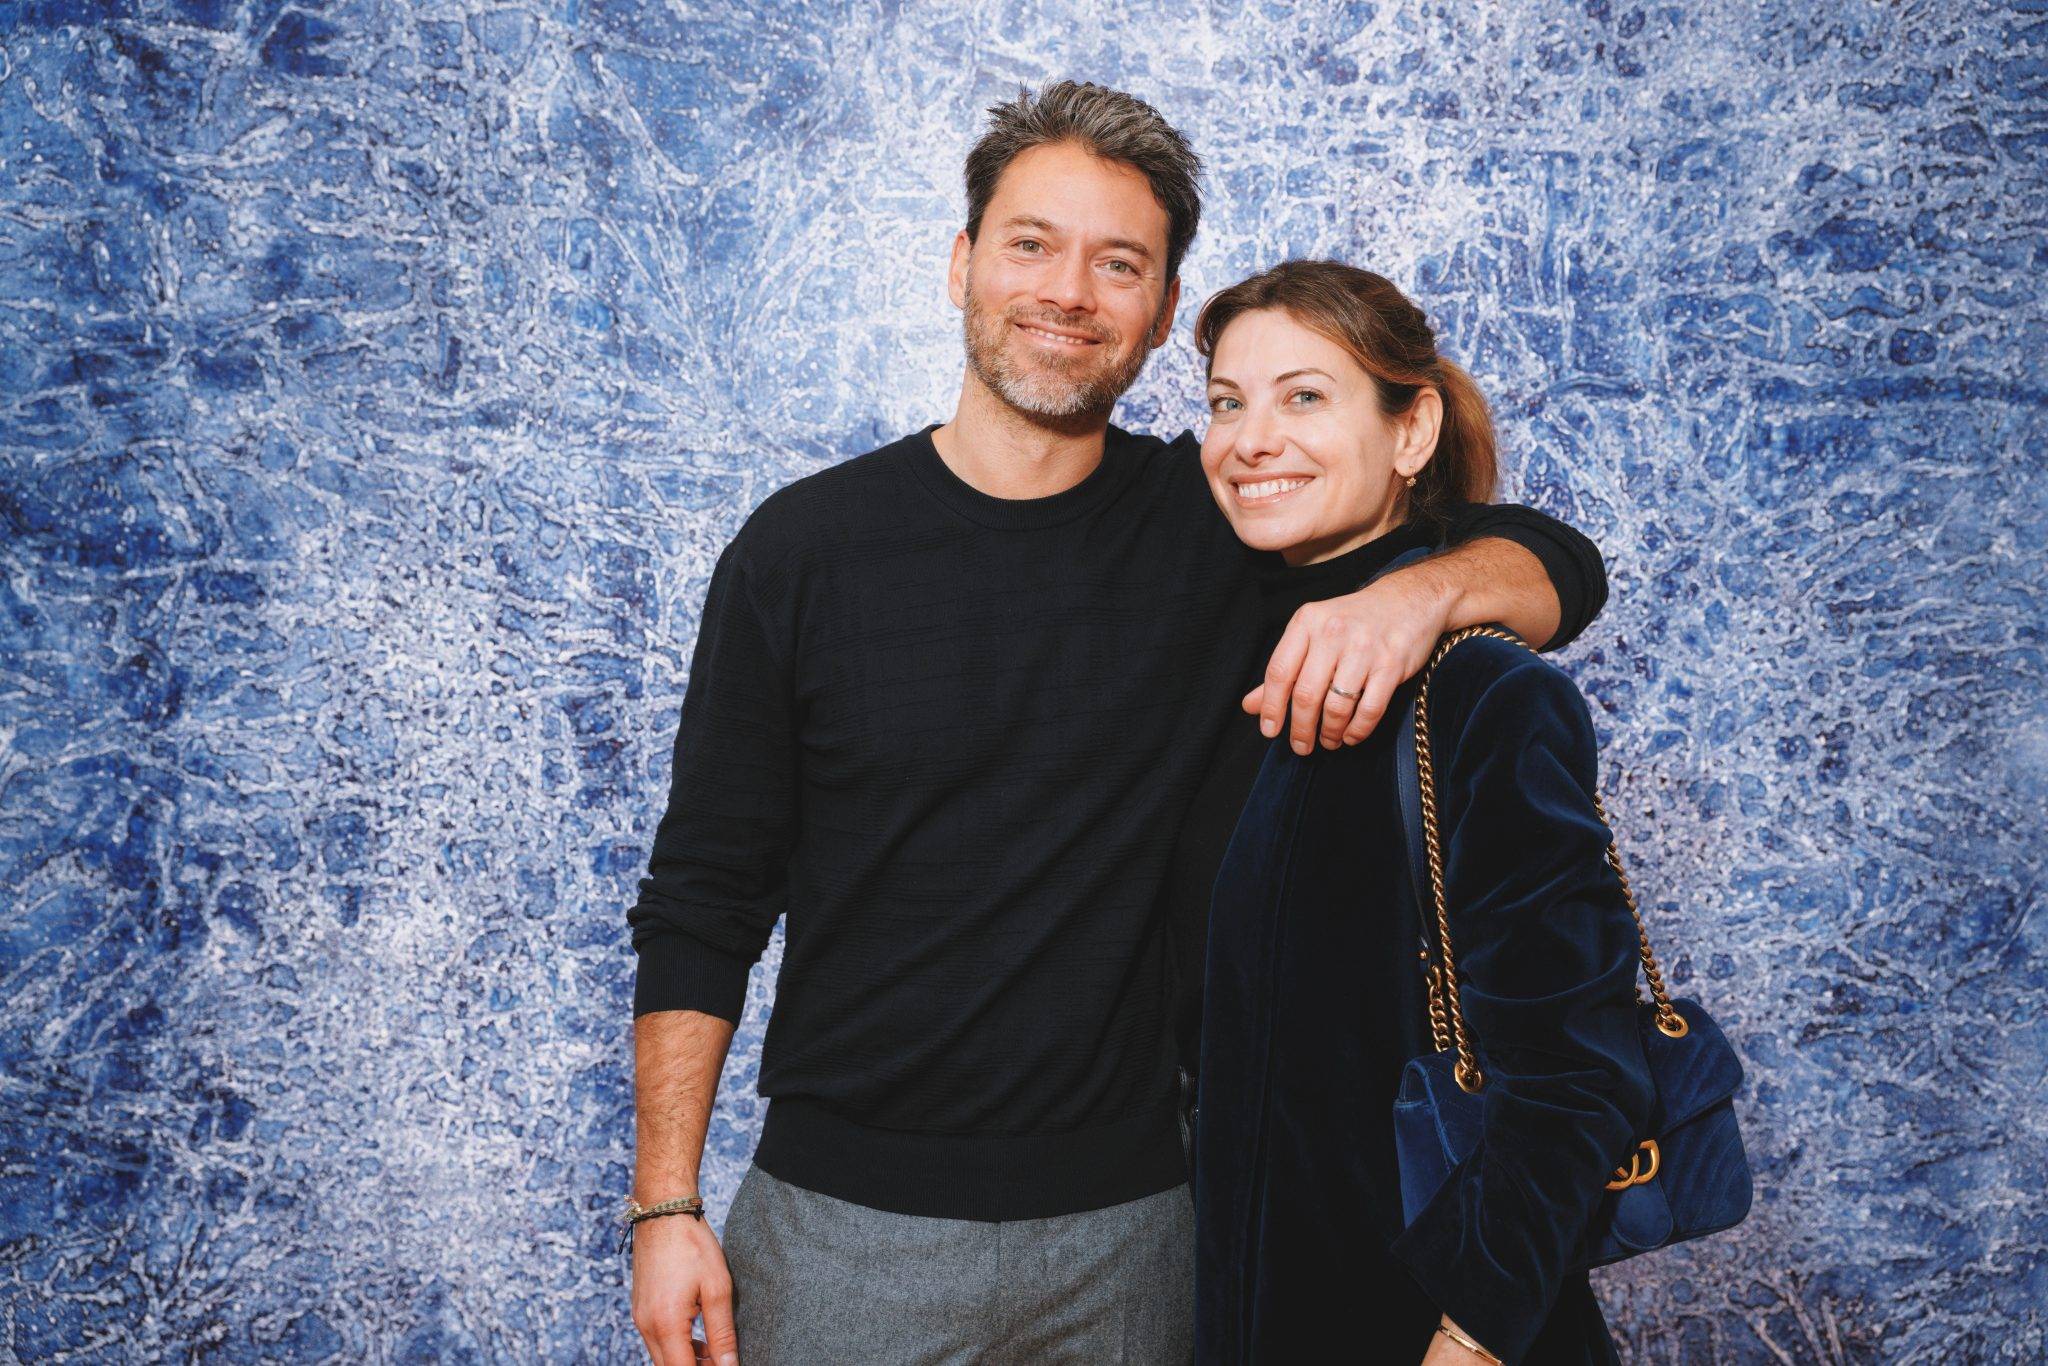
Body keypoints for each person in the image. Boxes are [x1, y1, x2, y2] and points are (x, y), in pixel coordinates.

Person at [625, 82, 1612, 1366]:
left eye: (1119, 263)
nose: (1066, 290)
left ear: (1154, 315)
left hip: (1143, 1239)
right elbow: (703, 892)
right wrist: (666, 1202)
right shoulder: (799, 552)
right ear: (961, 262)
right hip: (838, 1226)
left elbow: (1552, 565)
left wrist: (1416, 599)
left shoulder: (1229, 527)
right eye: (1030, 242)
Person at [1177, 259, 1655, 1365]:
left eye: (1304, 396)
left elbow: (1576, 1076)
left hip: (1433, 1328)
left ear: (1410, 429)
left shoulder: (1481, 690)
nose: (1251, 438)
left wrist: (1470, 1337)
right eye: (1224, 401)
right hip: (1255, 1311)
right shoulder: (1220, 640)